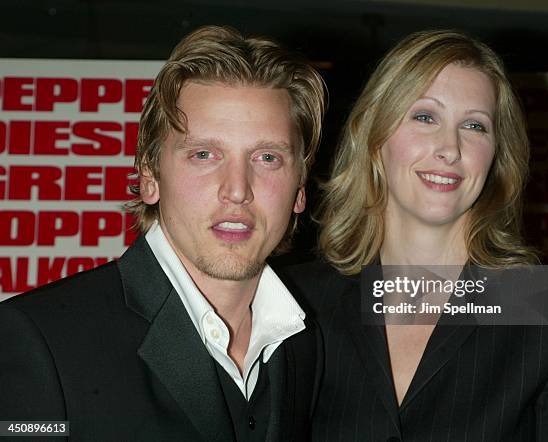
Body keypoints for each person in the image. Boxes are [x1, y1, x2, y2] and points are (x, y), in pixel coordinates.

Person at [281, 30, 548, 441]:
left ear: (495, 156)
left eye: (475, 125)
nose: (450, 148)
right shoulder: (293, 302)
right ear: (375, 136)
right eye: (425, 117)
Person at [0, 25, 326, 441]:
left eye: (267, 157)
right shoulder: (38, 341)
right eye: (204, 154)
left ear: (299, 188)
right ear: (150, 176)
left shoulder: (305, 342)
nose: (237, 189)